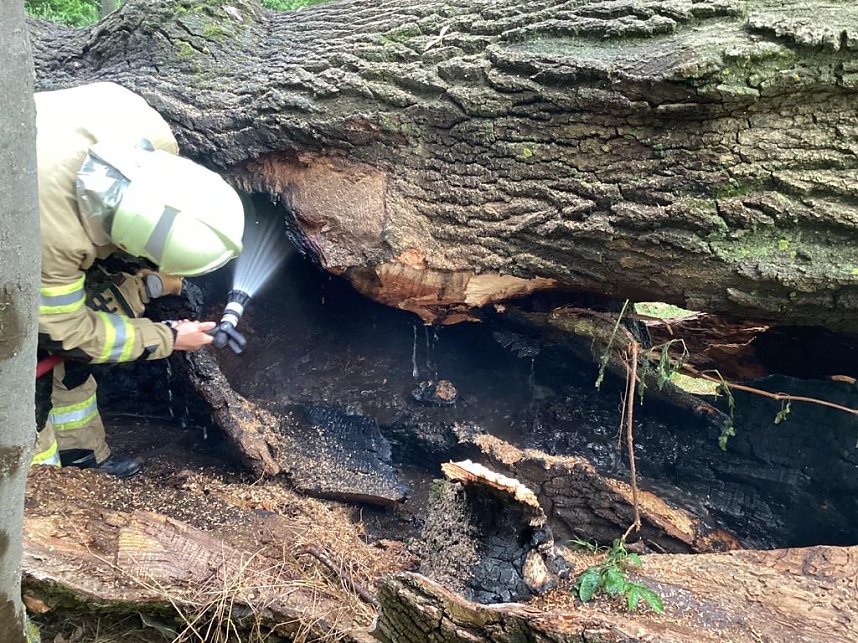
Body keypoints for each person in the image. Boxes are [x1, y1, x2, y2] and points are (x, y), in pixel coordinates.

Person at [31, 82, 245, 477]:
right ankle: (41, 486)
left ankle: (84, 459)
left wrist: (156, 281)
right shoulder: (53, 238)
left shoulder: (152, 136)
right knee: (26, 379)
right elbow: (67, 334)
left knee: (72, 369)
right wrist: (168, 337)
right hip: (17, 251)